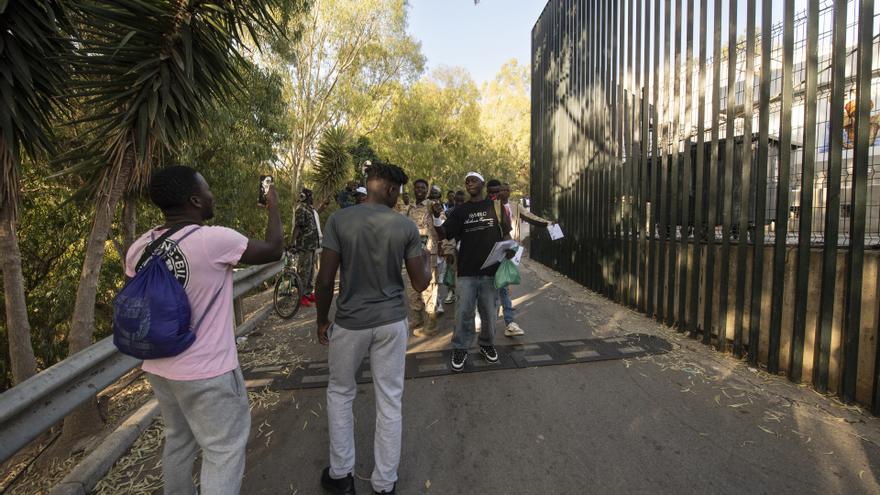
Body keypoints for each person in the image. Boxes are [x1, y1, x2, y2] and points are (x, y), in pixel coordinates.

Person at [125, 166, 283, 495]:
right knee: (223, 450)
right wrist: (274, 206)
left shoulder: (140, 247)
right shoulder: (214, 240)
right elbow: (273, 250)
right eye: (207, 190)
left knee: (179, 440)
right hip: (207, 371)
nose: (212, 196)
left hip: (159, 367)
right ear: (195, 200)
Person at [315, 162, 431, 495]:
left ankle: (341, 475)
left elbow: (325, 281)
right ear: (393, 190)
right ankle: (384, 484)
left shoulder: (339, 220)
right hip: (392, 322)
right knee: (390, 400)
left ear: (368, 185)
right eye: (400, 192)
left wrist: (322, 320)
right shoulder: (405, 227)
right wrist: (423, 251)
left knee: (340, 392)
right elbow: (421, 283)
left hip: (350, 323)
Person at [432, 172, 513, 372]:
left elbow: (507, 233)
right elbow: (445, 233)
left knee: (489, 313)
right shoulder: (460, 211)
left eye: (473, 180)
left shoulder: (496, 207)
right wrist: (435, 217)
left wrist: (509, 249)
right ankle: (460, 348)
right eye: (467, 181)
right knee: (463, 313)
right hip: (466, 271)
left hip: (490, 271)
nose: (469, 183)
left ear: (483, 183)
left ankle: (486, 344)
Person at [401, 178, 442, 335]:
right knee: (412, 288)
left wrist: (444, 249)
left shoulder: (433, 206)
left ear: (427, 190)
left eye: (423, 188)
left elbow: (440, 225)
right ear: (413, 189)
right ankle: (417, 319)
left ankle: (431, 325)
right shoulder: (408, 208)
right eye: (417, 187)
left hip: (428, 254)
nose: (420, 190)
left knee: (429, 289)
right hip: (411, 255)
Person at [291, 188, 322, 307]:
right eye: (311, 196)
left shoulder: (310, 209)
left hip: (312, 245)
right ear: (307, 196)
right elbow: (297, 227)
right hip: (304, 245)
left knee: (311, 271)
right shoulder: (301, 209)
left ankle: (308, 293)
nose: (313, 198)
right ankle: (301, 296)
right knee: (304, 271)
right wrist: (292, 243)